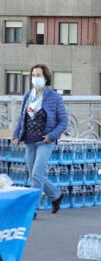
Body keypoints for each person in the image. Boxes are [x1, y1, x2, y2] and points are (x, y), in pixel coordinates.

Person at [12, 64, 67, 214]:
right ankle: (56, 195)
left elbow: (63, 121)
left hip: (45, 141)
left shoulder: (54, 97)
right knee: (34, 175)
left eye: (39, 75)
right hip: (29, 140)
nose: (35, 78)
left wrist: (51, 136)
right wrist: (16, 135)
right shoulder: (28, 96)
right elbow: (22, 118)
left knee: (36, 173)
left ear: (46, 78)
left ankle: (32, 209)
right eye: (33, 75)